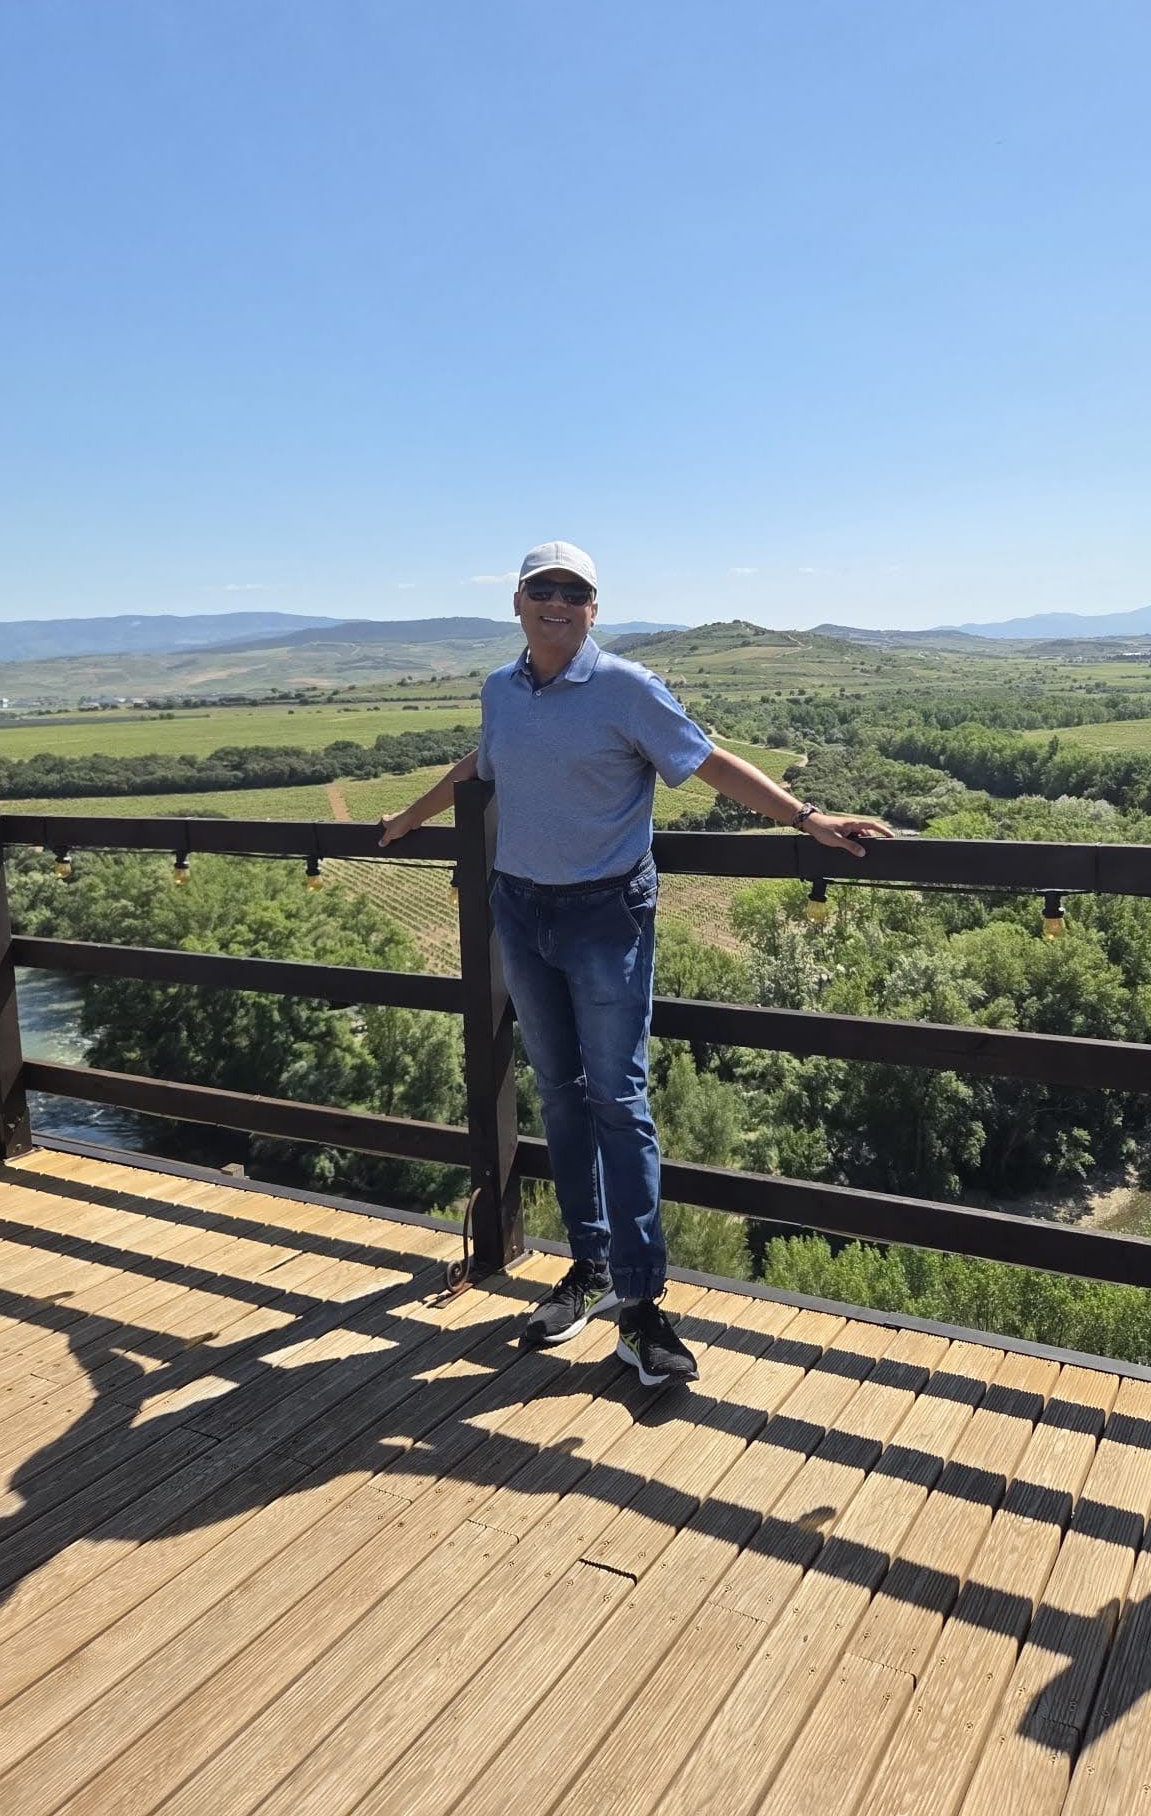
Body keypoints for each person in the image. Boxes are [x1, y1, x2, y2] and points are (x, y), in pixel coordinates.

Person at [380, 541, 893, 1386]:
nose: (556, 602)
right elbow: (483, 763)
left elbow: (708, 760)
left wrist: (808, 819)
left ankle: (643, 1305)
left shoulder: (627, 686)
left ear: (593, 609)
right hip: (520, 910)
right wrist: (409, 816)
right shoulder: (501, 689)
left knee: (619, 1102)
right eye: (542, 589)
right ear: (517, 602)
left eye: (573, 592)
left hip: (605, 916)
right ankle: (589, 1268)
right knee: (560, 1094)